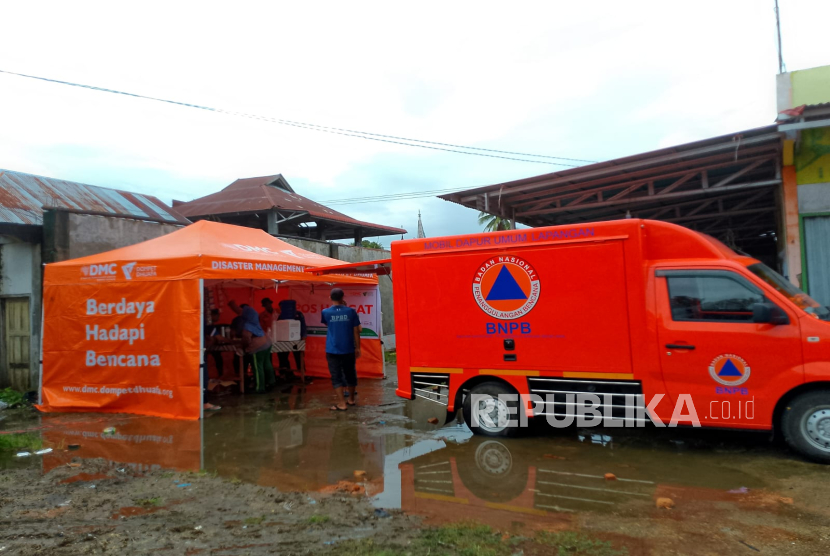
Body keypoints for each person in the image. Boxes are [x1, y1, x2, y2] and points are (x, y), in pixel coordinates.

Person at [321, 288, 361, 411]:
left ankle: (341, 404)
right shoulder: (351, 312)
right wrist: (358, 347)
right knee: (350, 373)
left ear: (330, 298)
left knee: (336, 376)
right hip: (348, 348)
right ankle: (351, 400)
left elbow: (327, 324)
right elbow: (356, 330)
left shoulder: (325, 312)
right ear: (343, 297)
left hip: (332, 349)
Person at [229, 300, 275, 393]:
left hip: (258, 346)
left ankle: (259, 388)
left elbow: (246, 339)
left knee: (257, 368)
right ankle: (271, 382)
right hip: (267, 342)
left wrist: (245, 347)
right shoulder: (254, 319)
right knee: (267, 364)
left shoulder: (247, 324)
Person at [276, 299, 307, 383]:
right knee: (283, 357)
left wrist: (303, 340)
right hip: (284, 340)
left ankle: (302, 374)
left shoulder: (298, 315)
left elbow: (303, 328)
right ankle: (286, 374)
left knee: (298, 357)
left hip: (297, 339)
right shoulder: (280, 316)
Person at [202, 308, 223, 411]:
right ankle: (204, 402)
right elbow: (220, 339)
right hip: (201, 351)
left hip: (196, 351)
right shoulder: (209, 326)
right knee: (203, 376)